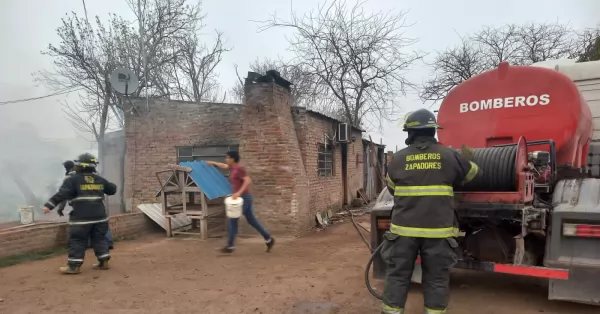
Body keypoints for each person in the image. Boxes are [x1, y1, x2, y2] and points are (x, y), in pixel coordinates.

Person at [381, 109, 480, 314]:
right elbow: (473, 174)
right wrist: (462, 163)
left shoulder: (397, 160)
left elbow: (392, 188)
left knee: (398, 277)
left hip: (403, 232)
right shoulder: (449, 156)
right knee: (436, 279)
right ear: (433, 130)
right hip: (438, 233)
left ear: (410, 133)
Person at [43, 153, 117, 274]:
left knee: (77, 240)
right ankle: (104, 262)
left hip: (81, 218)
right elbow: (112, 190)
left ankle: (73, 266)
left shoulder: (72, 180)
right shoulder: (99, 179)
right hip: (100, 217)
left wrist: (49, 205)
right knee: (99, 239)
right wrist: (109, 184)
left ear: (78, 165)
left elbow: (62, 194)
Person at [206, 151, 275, 254]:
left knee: (232, 220)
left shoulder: (239, 169)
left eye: (227, 158)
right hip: (242, 198)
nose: (226, 159)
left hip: (243, 198)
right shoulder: (232, 168)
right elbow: (224, 166)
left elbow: (247, 181)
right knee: (251, 220)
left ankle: (230, 246)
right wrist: (214, 163)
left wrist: (238, 192)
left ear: (233, 159)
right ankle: (269, 239)